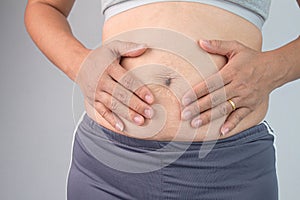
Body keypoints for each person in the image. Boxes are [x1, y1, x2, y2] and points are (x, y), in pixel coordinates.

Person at [24, 0, 300, 199]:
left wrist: (272, 69)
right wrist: (80, 63)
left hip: (229, 171)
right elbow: (44, 6)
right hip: (108, 170)